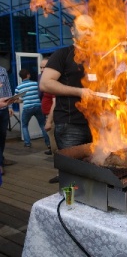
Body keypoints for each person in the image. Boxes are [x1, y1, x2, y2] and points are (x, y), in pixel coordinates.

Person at [39, 14, 95, 183]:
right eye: (83, 28)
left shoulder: (98, 58)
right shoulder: (62, 54)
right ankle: (69, 206)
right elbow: (46, 83)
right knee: (72, 174)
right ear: (73, 30)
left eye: (91, 30)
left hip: (96, 126)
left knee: (94, 171)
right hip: (70, 126)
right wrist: (79, 92)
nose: (88, 33)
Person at [15, 69, 51, 150]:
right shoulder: (35, 84)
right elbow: (41, 93)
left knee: (24, 126)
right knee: (42, 125)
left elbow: (15, 99)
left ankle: (27, 143)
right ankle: (48, 143)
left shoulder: (18, 87)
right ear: (28, 75)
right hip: (38, 106)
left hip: (27, 108)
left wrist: (22, 100)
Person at [38, 57, 56, 155]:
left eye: (44, 67)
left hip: (52, 117)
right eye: (40, 67)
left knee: (54, 142)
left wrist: (49, 121)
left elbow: (55, 102)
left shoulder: (52, 81)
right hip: (47, 115)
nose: (41, 70)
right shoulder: (44, 79)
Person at [0, 66, 14, 176]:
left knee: (2, 135)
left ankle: (1, 157)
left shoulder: (3, 70)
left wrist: (10, 107)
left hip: (4, 109)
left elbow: (8, 88)